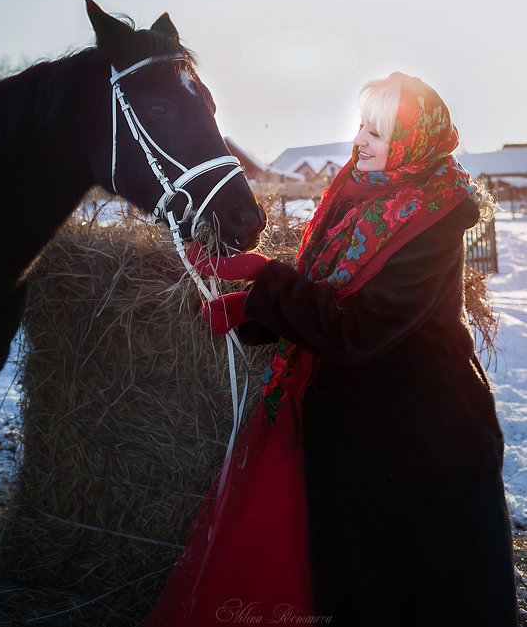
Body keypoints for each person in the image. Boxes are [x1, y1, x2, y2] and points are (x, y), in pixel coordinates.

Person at [147, 72, 518, 627]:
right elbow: (328, 293)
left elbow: (358, 330)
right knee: (355, 579)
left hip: (423, 435)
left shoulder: (431, 218)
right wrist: (256, 310)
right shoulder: (362, 191)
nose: (360, 141)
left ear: (414, 141)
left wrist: (266, 281)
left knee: (415, 589)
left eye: (379, 132)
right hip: (361, 423)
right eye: (362, 126)